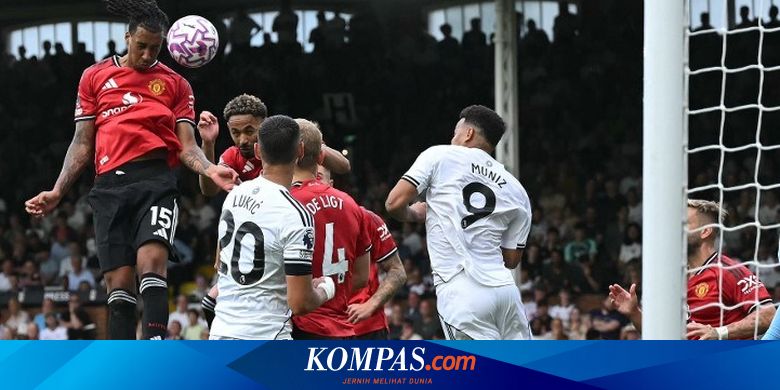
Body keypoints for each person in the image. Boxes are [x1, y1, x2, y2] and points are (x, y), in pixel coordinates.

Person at [24, 0, 238, 340]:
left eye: (155, 48)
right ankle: (122, 362)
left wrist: (210, 169)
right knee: (119, 286)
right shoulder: (94, 76)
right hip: (109, 187)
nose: (148, 54)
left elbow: (186, 145)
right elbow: (82, 143)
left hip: (156, 183)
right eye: (141, 46)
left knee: (152, 268)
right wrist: (58, 190)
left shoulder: (176, 84)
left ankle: (154, 352)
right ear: (127, 38)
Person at [196, 94, 350, 326]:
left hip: (292, 232)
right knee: (210, 302)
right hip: (257, 241)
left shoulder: (284, 142)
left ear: (264, 125)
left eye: (249, 131)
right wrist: (208, 144)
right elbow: (209, 190)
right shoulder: (232, 156)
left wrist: (313, 143)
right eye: (235, 133)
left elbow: (344, 166)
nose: (242, 140)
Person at [385, 105, 532, 340]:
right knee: (524, 363)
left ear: (468, 133)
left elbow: (393, 203)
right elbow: (512, 260)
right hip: (505, 292)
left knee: (478, 365)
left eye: (456, 132)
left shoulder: (439, 156)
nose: (452, 138)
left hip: (461, 292)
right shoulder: (518, 190)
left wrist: (415, 214)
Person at [609, 199, 775, 340]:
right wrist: (634, 313)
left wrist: (719, 333)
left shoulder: (727, 270)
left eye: (684, 224)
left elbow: (768, 314)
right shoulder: (675, 279)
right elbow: (660, 336)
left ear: (705, 232)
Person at [290, 119, 370, 339]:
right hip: (342, 330)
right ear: (321, 156)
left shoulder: (288, 203)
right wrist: (330, 292)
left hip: (301, 327)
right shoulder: (352, 204)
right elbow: (362, 277)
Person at [346, 202, 408, 339]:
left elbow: (397, 271)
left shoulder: (367, 218)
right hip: (319, 325)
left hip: (366, 327)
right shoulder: (303, 218)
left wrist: (371, 305)